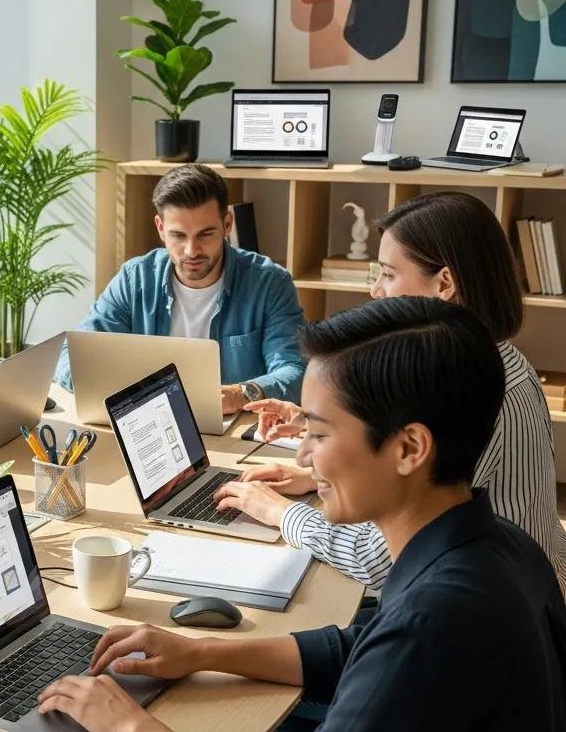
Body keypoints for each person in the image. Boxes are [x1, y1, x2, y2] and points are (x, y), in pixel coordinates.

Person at [43, 297, 566, 732]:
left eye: (318, 433)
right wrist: (203, 652)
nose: (302, 455)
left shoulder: (435, 622)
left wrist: (130, 725)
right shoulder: (504, 550)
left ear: (409, 448)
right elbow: (357, 649)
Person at [215, 191, 566, 597]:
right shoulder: (495, 359)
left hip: (502, 605)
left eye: (388, 273)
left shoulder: (462, 389)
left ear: (445, 283)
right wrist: (318, 476)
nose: (375, 291)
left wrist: (278, 511)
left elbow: (377, 559)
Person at [54, 164, 305, 412]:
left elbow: (295, 370)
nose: (191, 250)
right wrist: (124, 392)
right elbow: (72, 355)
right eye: (179, 235)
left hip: (234, 430)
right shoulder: (135, 279)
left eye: (205, 234)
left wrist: (241, 394)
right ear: (161, 228)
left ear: (227, 224)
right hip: (150, 424)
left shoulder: (270, 283)